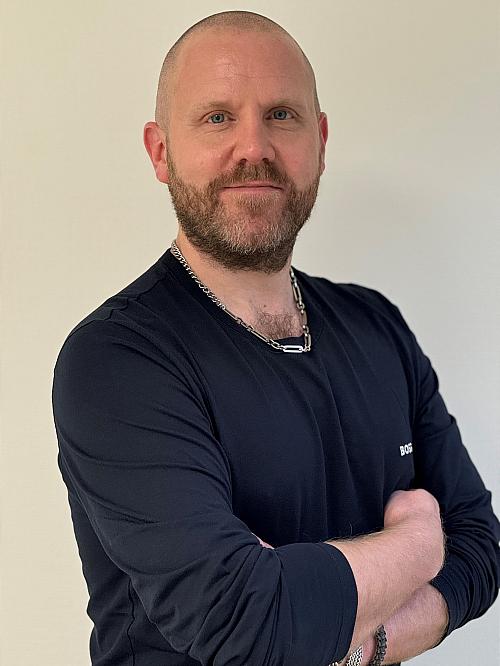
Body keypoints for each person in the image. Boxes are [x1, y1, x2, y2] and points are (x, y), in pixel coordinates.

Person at [51, 10, 499, 666]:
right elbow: (246, 622)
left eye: (281, 115)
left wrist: (362, 640)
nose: (253, 147)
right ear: (160, 152)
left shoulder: (377, 326)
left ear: (320, 140)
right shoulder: (117, 361)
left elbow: (481, 548)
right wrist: (417, 544)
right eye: (217, 118)